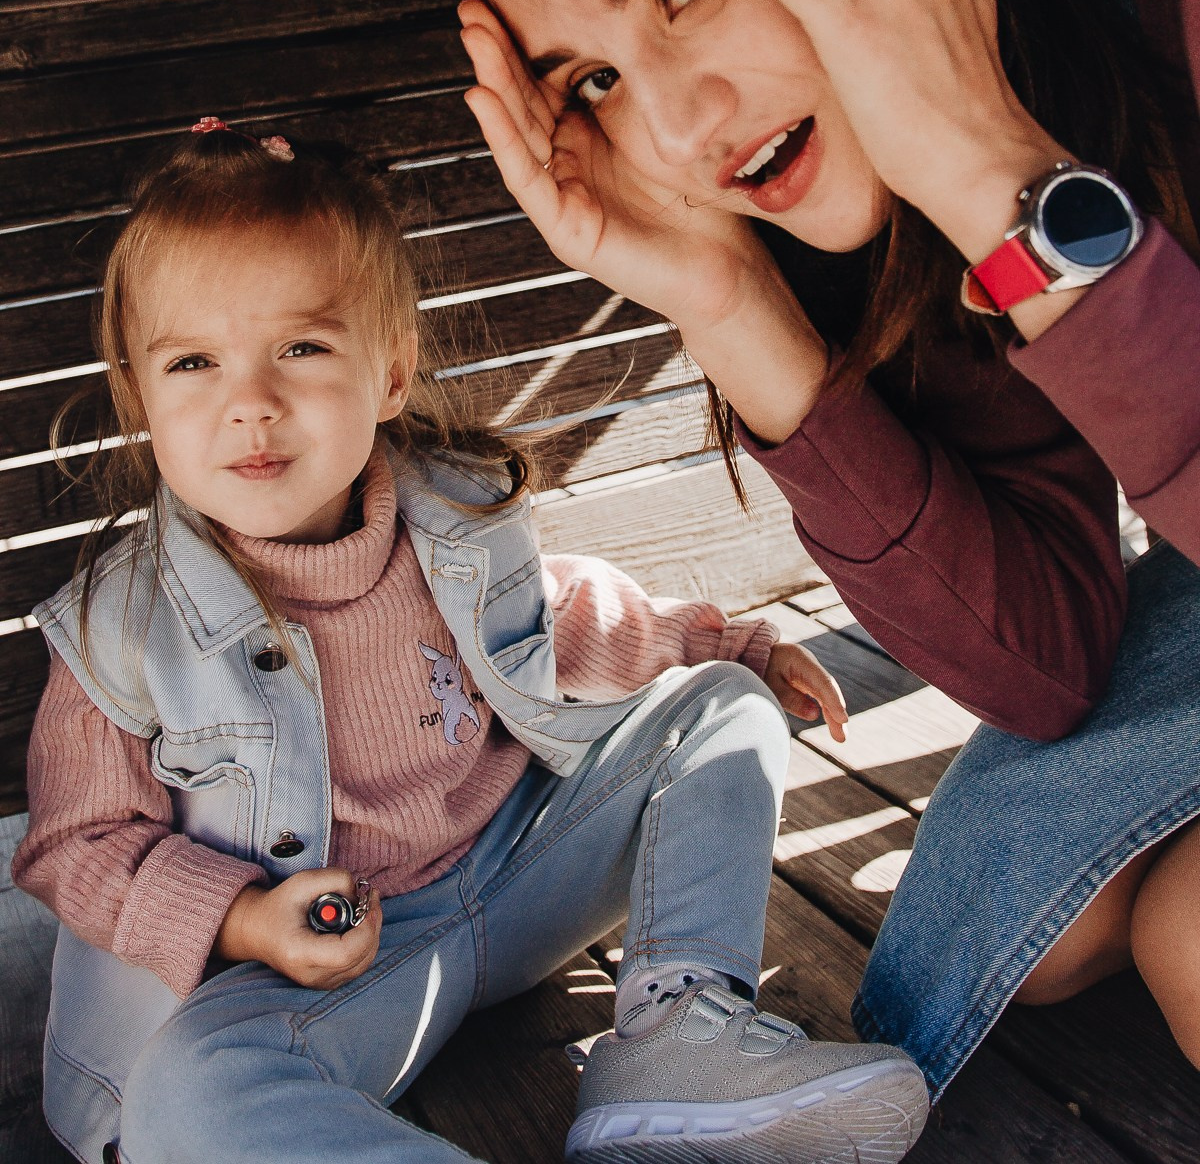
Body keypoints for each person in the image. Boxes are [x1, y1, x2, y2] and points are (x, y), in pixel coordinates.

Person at [435, 0, 1200, 1095]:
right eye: (589, 80)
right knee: (1035, 934)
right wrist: (731, 305)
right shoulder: (894, 180)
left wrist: (999, 177)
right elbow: (1044, 660)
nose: (675, 126)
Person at [12, 120, 930, 1164]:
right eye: (193, 363)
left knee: (716, 709)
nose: (250, 405)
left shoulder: (450, 518)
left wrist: (720, 646)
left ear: (391, 373)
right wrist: (242, 922)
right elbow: (75, 850)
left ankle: (681, 1035)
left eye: (302, 348)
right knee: (190, 1096)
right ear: (142, 395)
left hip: (518, 876)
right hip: (325, 975)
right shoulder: (116, 631)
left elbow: (562, 619)